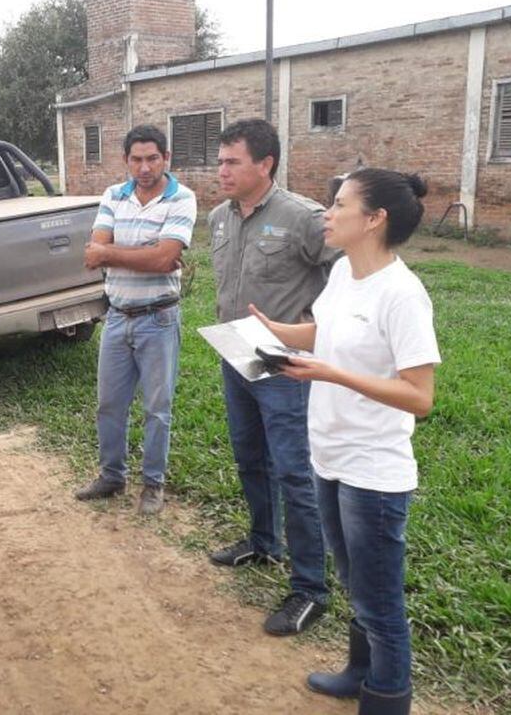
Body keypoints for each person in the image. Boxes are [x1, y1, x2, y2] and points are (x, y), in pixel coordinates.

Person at [252, 168, 437, 715]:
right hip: (328, 456)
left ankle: (387, 698)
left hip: (373, 471)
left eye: (339, 205)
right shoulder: (343, 277)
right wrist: (279, 332)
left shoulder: (402, 294)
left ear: (374, 219)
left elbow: (419, 395)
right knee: (356, 584)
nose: (326, 214)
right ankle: (360, 671)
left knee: (380, 601)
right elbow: (326, 332)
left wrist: (331, 375)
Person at [207, 119, 333, 635]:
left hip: (284, 367)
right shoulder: (218, 217)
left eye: (233, 161)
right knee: (248, 456)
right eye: (220, 161)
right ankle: (262, 542)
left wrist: (319, 331)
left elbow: (350, 274)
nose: (222, 171)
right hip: (235, 358)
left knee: (293, 472)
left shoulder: (304, 218)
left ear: (266, 164)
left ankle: (310, 588)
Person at [74, 125, 197, 515]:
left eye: (152, 159)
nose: (144, 168)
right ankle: (112, 476)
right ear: (126, 161)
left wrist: (113, 253)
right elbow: (93, 252)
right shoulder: (114, 194)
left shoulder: (182, 198)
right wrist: (145, 252)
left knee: (157, 408)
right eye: (136, 160)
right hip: (117, 317)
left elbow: (163, 259)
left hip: (158, 318)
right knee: (109, 404)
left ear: (166, 159)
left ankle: (153, 484)